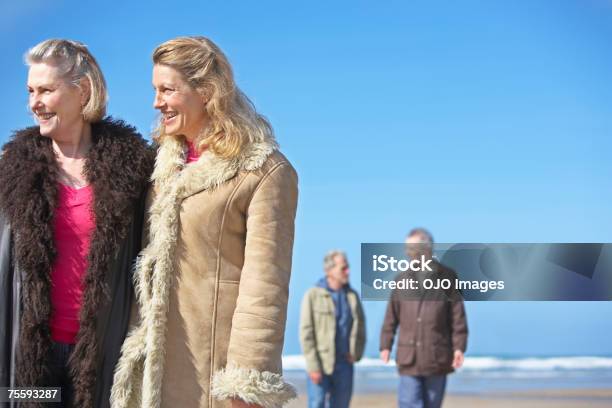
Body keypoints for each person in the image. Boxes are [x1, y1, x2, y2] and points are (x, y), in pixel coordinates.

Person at [110, 36, 299, 408]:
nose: (156, 102)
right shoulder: (156, 168)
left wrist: (245, 383)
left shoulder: (263, 171)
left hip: (212, 376)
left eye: (167, 90)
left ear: (207, 91)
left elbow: (265, 286)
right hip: (147, 373)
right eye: (154, 90)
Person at [0, 39, 153, 408]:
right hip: (30, 356)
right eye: (30, 91)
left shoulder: (133, 171)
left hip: (103, 353)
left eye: (46, 90)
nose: (34, 102)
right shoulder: (11, 170)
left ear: (82, 90)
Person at [379, 228, 468, 408]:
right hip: (408, 358)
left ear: (427, 249)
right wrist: (385, 344)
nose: (408, 254)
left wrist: (459, 347)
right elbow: (391, 316)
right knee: (409, 403)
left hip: (437, 358)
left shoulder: (448, 277)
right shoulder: (401, 279)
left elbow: (457, 317)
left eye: (413, 249)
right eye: (407, 249)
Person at [299, 250, 366, 408]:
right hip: (321, 363)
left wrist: (356, 354)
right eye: (343, 268)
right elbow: (306, 333)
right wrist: (313, 366)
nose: (347, 271)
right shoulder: (313, 295)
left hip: (344, 365)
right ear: (329, 270)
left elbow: (361, 327)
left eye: (348, 267)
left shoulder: (352, 296)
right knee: (317, 404)